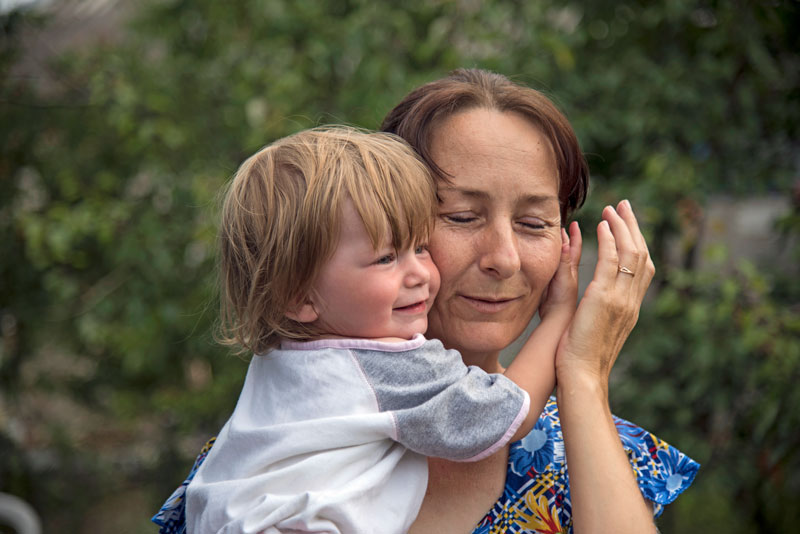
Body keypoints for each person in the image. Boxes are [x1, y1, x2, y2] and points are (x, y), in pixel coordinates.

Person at [153, 69, 699, 534]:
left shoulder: (594, 450)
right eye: (461, 217)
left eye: (534, 223)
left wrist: (582, 375)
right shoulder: (258, 461)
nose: (503, 258)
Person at [180, 125, 581, 534]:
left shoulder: (282, 358)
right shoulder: (388, 365)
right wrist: (560, 317)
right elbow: (507, 413)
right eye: (387, 258)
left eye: (420, 248)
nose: (420, 273)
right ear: (297, 296)